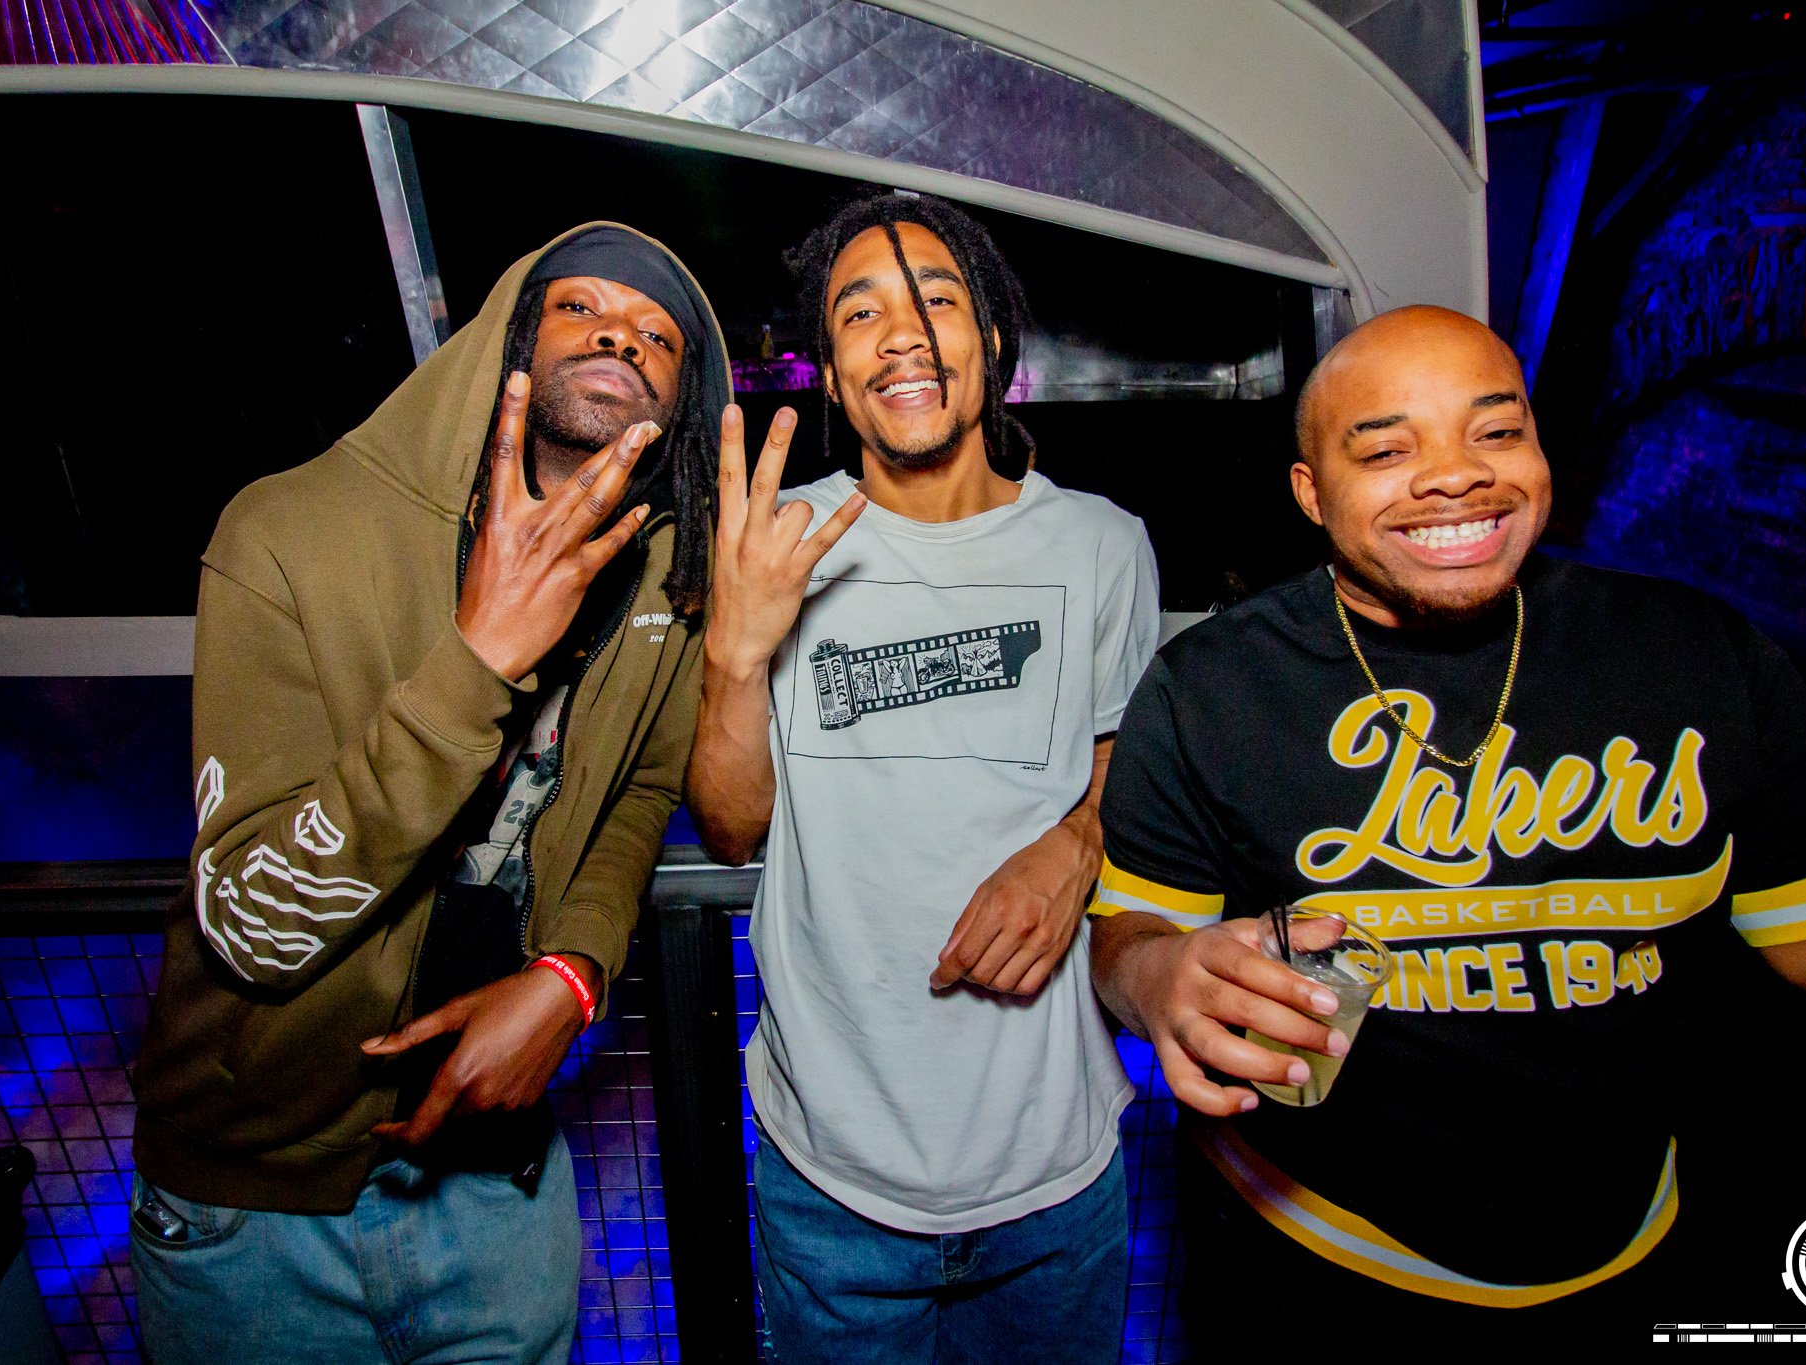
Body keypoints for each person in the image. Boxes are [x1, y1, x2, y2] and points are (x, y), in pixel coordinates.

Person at [1087, 304, 1806, 1348]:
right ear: (1311, 491)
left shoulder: (1692, 653)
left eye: (1494, 431)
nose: (1455, 474)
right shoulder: (1211, 687)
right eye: (1386, 450)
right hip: (1316, 1256)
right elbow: (1128, 935)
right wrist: (1158, 979)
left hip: (1640, 1240)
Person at [128, 224, 730, 1362]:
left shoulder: (666, 573)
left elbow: (643, 789)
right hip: (256, 1209)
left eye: (658, 337)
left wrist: (572, 974)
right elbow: (254, 928)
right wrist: (477, 663)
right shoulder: (292, 531)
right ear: (512, 335)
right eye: (582, 308)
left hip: (497, 1175)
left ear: (684, 399)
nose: (620, 336)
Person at [687, 192, 1159, 1364]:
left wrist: (1076, 841)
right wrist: (733, 655)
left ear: (990, 341)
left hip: (1053, 1172)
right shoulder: (774, 542)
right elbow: (731, 831)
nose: (899, 334)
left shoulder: (1102, 546)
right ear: (831, 372)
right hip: (831, 1180)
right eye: (859, 314)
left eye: (934, 301)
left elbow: (1120, 758)